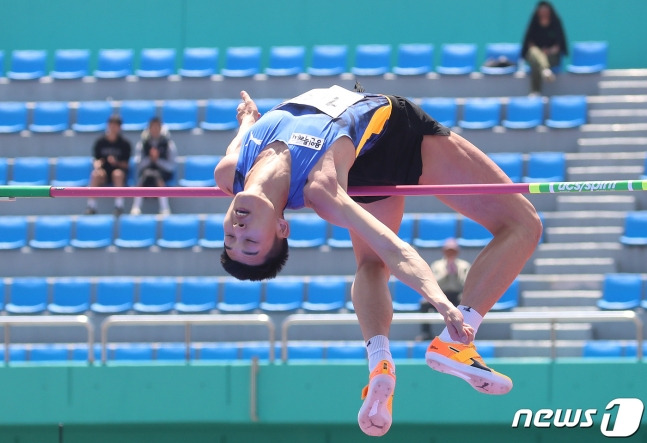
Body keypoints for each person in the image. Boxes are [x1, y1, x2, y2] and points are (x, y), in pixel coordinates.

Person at [214, 86, 542, 437]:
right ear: (282, 228)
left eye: (230, 238)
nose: (238, 230)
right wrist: (443, 304)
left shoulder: (229, 172)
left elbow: (245, 133)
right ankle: (455, 340)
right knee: (524, 225)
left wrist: (248, 117)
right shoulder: (321, 188)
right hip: (396, 138)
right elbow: (394, 249)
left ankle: (380, 365)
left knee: (370, 265)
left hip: (360, 159)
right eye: (250, 243)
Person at [418, 238, 471, 341]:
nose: (450, 253)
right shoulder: (437, 265)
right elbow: (433, 283)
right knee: (424, 304)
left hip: (457, 295)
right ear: (444, 251)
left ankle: (463, 332)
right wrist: (445, 274)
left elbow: (466, 284)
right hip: (441, 295)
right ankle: (425, 333)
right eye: (448, 251)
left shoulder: (464, 266)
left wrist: (456, 273)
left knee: (465, 305)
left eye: (453, 251)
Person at [86, 115, 132, 216]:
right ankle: (91, 206)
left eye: (116, 125)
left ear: (120, 127)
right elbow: (96, 159)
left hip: (118, 174)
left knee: (117, 174)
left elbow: (126, 164)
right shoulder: (100, 142)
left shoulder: (125, 144)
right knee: (95, 174)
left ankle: (119, 206)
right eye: (111, 125)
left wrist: (116, 163)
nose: (113, 128)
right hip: (104, 174)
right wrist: (97, 164)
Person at [130, 117, 177, 215]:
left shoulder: (168, 144)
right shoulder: (142, 144)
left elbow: (171, 166)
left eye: (157, 127)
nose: (155, 129)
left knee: (156, 175)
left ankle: (165, 208)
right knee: (145, 175)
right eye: (153, 127)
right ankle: (136, 207)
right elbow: (139, 164)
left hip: (163, 173)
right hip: (146, 173)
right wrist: (150, 159)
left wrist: (157, 160)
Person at [521, 1, 568, 95]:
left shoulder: (556, 23)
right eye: (541, 11)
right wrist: (540, 53)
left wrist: (549, 51)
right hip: (536, 54)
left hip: (552, 57)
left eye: (545, 11)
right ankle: (545, 70)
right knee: (534, 53)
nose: (543, 13)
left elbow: (559, 45)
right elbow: (530, 44)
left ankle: (535, 91)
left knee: (536, 63)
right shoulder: (534, 25)